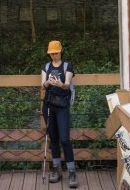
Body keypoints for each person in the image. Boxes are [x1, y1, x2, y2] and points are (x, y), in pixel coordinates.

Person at [41, 40, 78, 188]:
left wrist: (61, 84)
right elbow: (42, 84)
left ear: (61, 51)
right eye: (51, 53)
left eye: (55, 53)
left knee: (65, 139)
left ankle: (72, 171)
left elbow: (68, 85)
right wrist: (48, 83)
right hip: (49, 106)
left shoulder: (67, 66)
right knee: (53, 138)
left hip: (62, 106)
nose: (53, 56)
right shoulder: (46, 66)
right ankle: (56, 169)